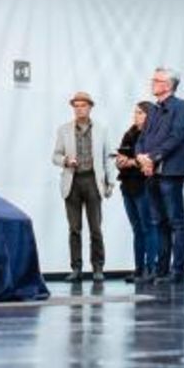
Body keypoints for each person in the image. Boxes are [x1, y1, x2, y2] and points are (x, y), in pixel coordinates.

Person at [136, 68, 184, 281]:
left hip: (171, 172)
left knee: (176, 222)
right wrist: (141, 157)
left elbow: (176, 137)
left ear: (168, 85)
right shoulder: (153, 110)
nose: (152, 82)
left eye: (157, 80)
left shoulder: (181, 107)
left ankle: (177, 271)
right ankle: (161, 270)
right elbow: (142, 138)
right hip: (151, 173)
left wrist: (152, 157)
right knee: (158, 222)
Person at [51, 92, 114, 281]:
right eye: (76, 106)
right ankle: (76, 268)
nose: (79, 109)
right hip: (73, 181)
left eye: (83, 105)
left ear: (90, 107)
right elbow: (55, 156)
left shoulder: (101, 129)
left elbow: (107, 157)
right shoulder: (64, 130)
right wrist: (66, 161)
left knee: (96, 228)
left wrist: (110, 181)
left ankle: (98, 268)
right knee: (74, 229)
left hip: (93, 181)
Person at [113, 102, 158, 279]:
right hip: (127, 184)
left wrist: (132, 162)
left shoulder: (153, 135)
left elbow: (151, 159)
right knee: (137, 228)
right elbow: (122, 156)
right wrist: (120, 161)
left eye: (140, 113)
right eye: (135, 112)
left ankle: (151, 268)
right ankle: (139, 268)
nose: (135, 116)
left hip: (144, 184)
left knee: (148, 227)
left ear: (149, 116)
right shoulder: (130, 133)